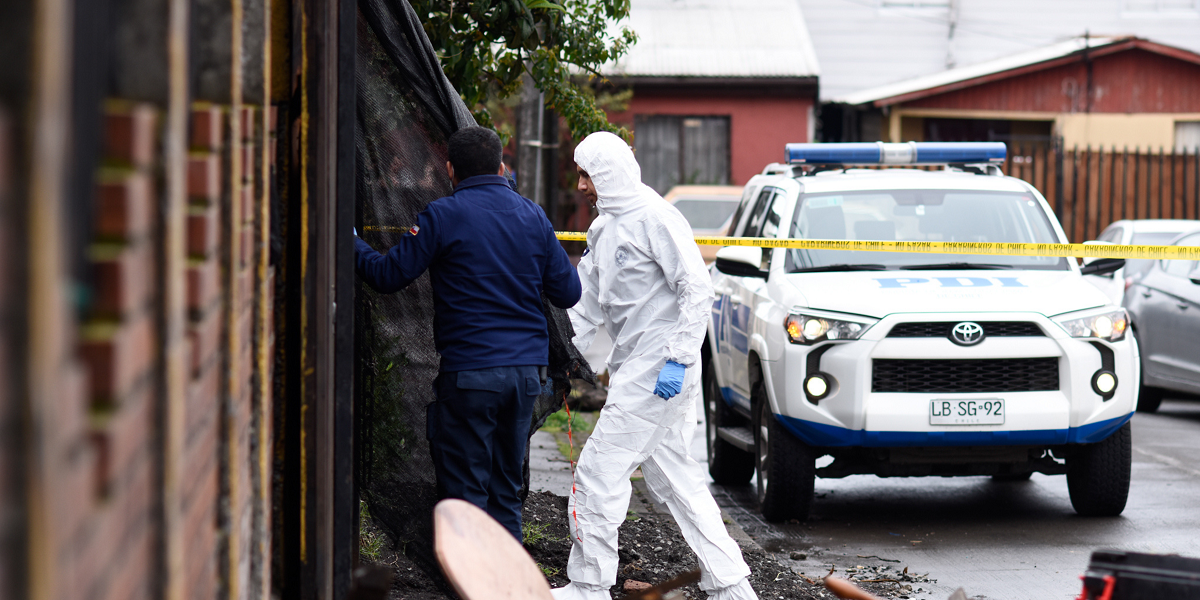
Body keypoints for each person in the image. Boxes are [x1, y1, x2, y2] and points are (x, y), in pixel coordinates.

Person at [553, 132, 759, 600]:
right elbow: (586, 308)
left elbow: (697, 289)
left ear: (609, 173)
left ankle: (588, 585)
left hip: (660, 370)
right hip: (637, 368)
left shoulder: (657, 218)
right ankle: (731, 585)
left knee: (598, 472)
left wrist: (680, 358)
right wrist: (560, 349)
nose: (581, 185)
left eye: (588, 175)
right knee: (676, 480)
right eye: (580, 174)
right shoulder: (605, 230)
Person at [354, 126, 582, 541]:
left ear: (449, 169)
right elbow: (568, 292)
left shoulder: (443, 215)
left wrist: (351, 243)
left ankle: (472, 585)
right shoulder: (533, 215)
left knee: (466, 496)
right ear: (501, 166)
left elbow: (388, 276)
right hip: (526, 377)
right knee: (506, 493)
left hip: (472, 374)